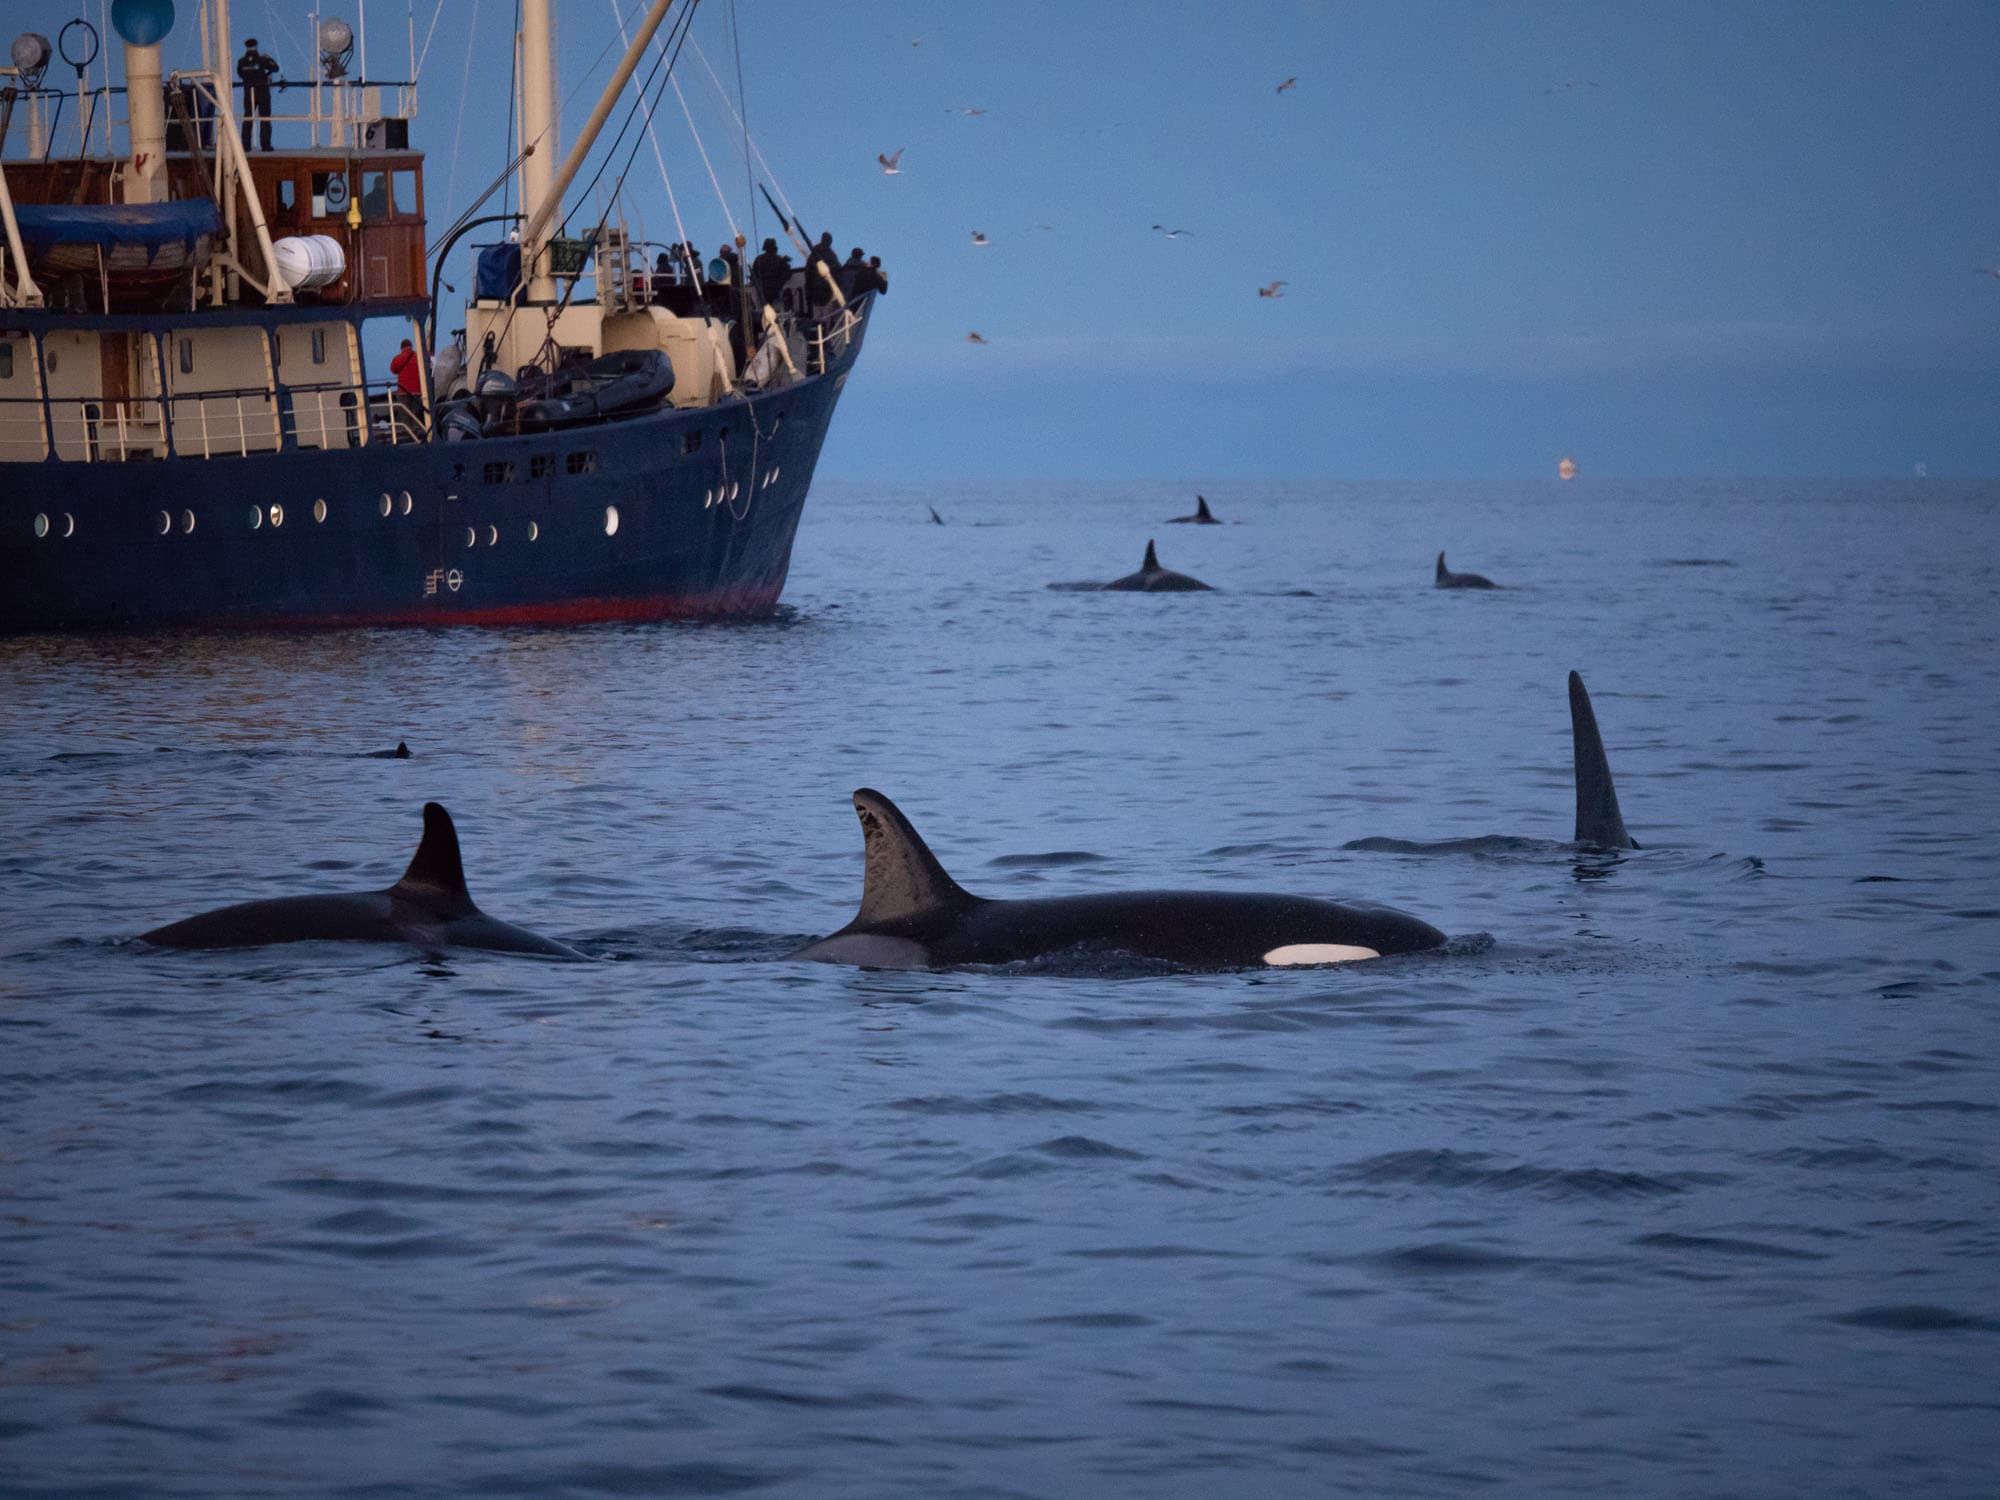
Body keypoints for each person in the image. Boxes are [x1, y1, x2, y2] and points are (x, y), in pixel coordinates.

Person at [236, 39, 281, 152]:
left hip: (248, 92)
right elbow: (275, 68)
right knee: (264, 117)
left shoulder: (241, 61)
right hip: (262, 91)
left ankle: (246, 146)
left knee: (248, 117)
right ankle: (265, 145)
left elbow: (240, 74)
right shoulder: (262, 59)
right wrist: (269, 58)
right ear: (256, 46)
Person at [389, 338, 425, 435]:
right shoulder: (418, 357)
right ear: (411, 346)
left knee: (405, 411)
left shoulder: (398, 358)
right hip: (417, 390)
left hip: (403, 390)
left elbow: (393, 370)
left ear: (401, 348)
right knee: (414, 411)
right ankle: (415, 429)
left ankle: (407, 430)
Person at [750, 236, 791, 307]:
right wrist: (779, 284)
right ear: (775, 248)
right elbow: (787, 273)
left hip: (762, 291)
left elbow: (753, 275)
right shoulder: (779, 259)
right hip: (776, 291)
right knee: (778, 313)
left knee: (763, 313)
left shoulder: (759, 259)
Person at [805, 231, 839, 310]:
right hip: (825, 288)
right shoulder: (831, 255)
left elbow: (808, 270)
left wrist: (808, 285)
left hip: (813, 287)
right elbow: (837, 269)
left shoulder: (814, 252)